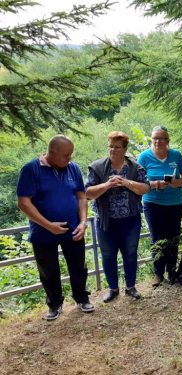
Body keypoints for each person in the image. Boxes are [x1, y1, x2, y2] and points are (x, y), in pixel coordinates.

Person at [17, 135, 93, 321]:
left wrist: (83, 222)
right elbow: (23, 203)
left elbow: (82, 197)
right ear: (52, 152)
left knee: (78, 266)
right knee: (48, 270)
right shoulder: (31, 169)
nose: (70, 159)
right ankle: (54, 304)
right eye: (66, 155)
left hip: (73, 228)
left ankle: (81, 298)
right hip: (43, 231)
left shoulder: (73, 168)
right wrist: (48, 225)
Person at [85, 131, 150, 303]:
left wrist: (126, 182)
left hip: (131, 219)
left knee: (130, 253)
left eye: (117, 147)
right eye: (110, 146)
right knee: (108, 254)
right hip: (105, 221)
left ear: (125, 148)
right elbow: (87, 193)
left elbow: (145, 188)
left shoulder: (135, 168)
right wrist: (107, 185)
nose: (113, 150)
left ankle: (131, 287)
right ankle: (113, 288)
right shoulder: (97, 167)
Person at [138, 126, 182, 287]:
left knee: (173, 237)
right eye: (155, 138)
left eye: (162, 138)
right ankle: (158, 273)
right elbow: (138, 182)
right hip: (153, 203)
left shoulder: (176, 155)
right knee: (157, 237)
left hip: (174, 202)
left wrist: (178, 183)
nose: (158, 141)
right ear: (151, 139)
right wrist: (154, 184)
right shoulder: (144, 157)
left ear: (168, 140)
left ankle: (172, 271)